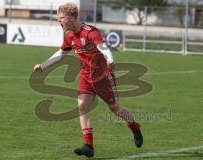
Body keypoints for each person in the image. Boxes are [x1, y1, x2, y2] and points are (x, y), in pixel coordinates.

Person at [33, 3, 143, 158]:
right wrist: (43, 66)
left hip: (103, 77)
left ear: (71, 18)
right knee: (82, 107)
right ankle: (88, 145)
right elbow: (62, 53)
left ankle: (134, 126)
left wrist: (110, 59)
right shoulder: (69, 35)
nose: (59, 21)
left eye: (61, 18)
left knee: (116, 109)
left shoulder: (91, 32)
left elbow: (103, 46)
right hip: (86, 76)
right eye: (58, 19)